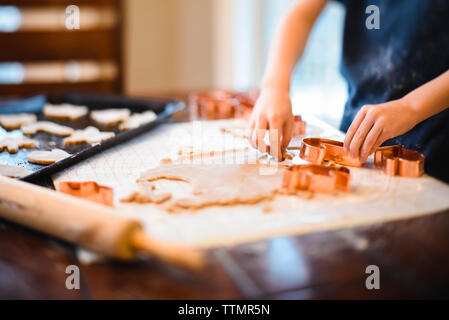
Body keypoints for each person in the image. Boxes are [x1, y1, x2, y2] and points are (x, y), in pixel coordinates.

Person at [247, 0, 449, 182]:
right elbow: (301, 15)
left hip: (436, 150)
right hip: (354, 136)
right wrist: (275, 87)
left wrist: (411, 107)